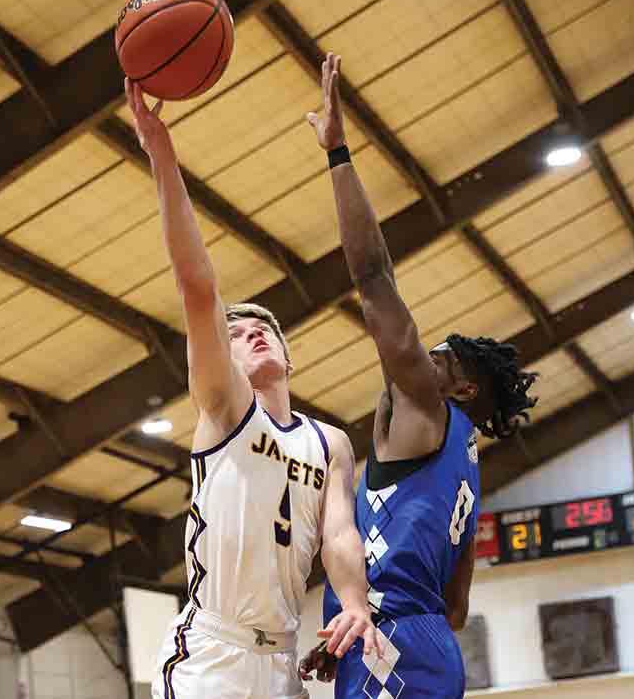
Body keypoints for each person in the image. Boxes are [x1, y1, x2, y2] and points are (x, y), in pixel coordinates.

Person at [125, 76, 383, 699]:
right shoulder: (227, 406)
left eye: (264, 329)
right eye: (236, 334)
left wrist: (354, 601)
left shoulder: (332, 444)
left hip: (283, 661)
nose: (253, 334)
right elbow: (198, 285)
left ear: (289, 355)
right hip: (212, 651)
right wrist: (162, 156)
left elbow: (340, 535)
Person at [298, 54, 538, 698]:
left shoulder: (426, 411)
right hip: (413, 642)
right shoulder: (465, 464)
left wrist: (338, 153)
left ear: (460, 388)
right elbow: (454, 610)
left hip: (392, 643)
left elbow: (373, 278)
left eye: (443, 358)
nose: (423, 356)